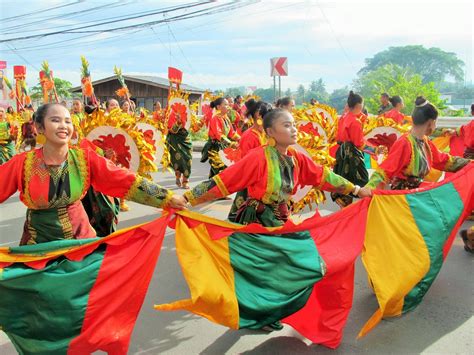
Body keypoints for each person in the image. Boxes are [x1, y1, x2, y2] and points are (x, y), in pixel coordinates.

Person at [182, 108, 370, 331]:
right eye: (287, 125)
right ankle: (259, 313)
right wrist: (186, 198)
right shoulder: (258, 157)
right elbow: (224, 181)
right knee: (265, 272)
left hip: (281, 221)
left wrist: (356, 190)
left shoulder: (296, 157)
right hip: (258, 223)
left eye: (293, 124)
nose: (294, 129)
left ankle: (273, 309)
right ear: (270, 131)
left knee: (298, 265)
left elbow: (323, 176)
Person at [0, 103, 186, 245]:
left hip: (80, 243)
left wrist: (166, 197)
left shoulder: (84, 158)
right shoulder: (23, 163)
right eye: (55, 120)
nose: (64, 126)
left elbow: (124, 180)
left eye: (68, 121)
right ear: (40, 128)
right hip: (37, 246)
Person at [364, 96, 471, 191]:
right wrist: (369, 187)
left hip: (417, 193)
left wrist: (470, 163)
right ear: (431, 122)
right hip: (403, 197)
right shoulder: (405, 143)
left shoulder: (424, 141)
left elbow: (445, 161)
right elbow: (385, 170)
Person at [227, 99, 270, 221]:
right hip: (251, 179)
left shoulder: (264, 133)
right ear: (258, 115)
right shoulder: (249, 136)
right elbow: (246, 163)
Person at [331, 91, 374, 207]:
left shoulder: (344, 117)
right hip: (351, 154)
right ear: (360, 106)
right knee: (362, 181)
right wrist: (374, 150)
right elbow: (359, 143)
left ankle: (343, 204)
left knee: (344, 179)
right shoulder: (355, 122)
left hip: (341, 152)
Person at [200, 97, 240, 178]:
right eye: (225, 104)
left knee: (219, 172)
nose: (228, 106)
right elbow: (219, 135)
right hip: (215, 148)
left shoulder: (226, 118)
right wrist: (231, 143)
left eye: (228, 104)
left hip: (223, 146)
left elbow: (232, 133)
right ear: (218, 107)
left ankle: (212, 188)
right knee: (220, 171)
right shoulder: (215, 119)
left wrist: (241, 139)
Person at [166, 98, 193, 189]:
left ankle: (185, 180)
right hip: (175, 140)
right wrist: (177, 122)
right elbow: (172, 130)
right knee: (178, 160)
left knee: (188, 159)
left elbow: (194, 128)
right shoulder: (172, 114)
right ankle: (178, 177)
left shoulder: (189, 115)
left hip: (186, 139)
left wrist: (201, 122)